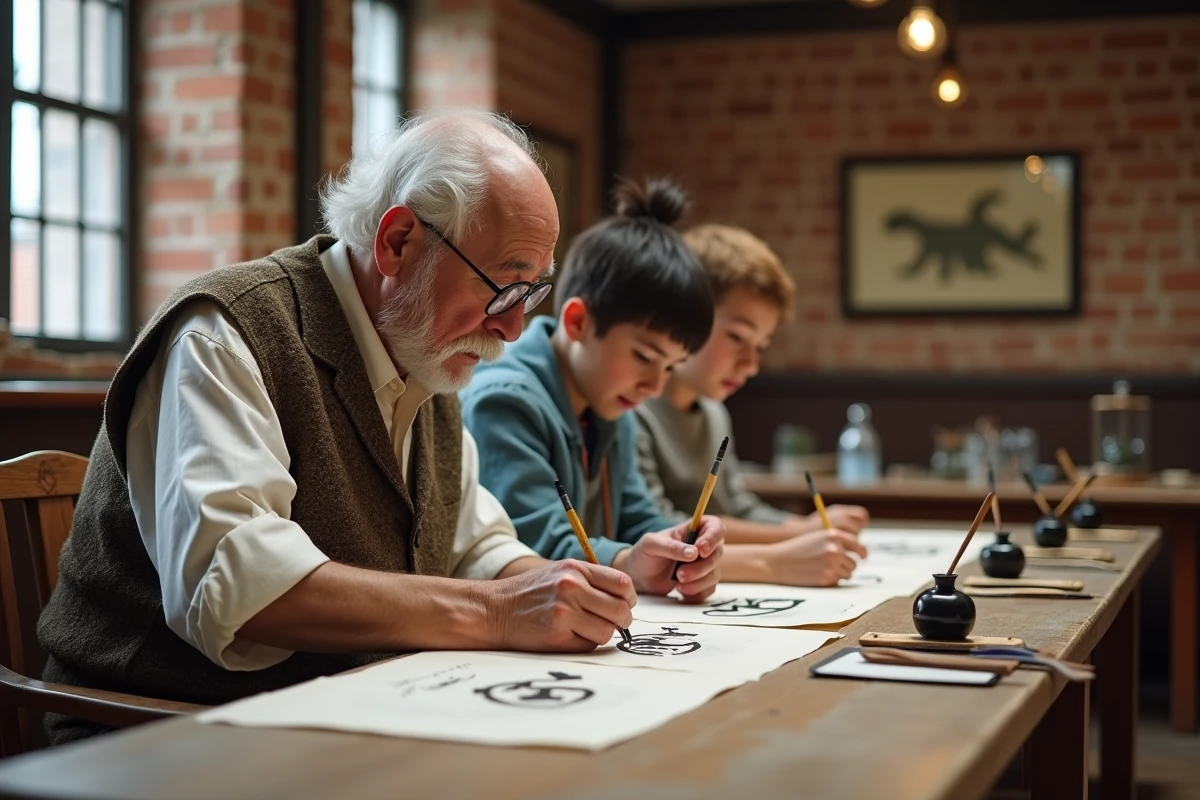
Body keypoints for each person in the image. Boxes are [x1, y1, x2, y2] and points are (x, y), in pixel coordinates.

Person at [36, 110, 658, 745]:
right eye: (503, 288)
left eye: (531, 294)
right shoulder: (226, 334)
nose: (513, 328)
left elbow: (477, 545)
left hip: (335, 721)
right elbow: (243, 589)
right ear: (398, 242)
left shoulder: (428, 354)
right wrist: (497, 612)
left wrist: (558, 588)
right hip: (153, 737)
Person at [461, 179, 725, 603]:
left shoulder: (610, 404)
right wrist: (626, 562)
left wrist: (678, 546)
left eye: (671, 367)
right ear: (578, 322)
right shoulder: (504, 401)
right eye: (643, 356)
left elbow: (637, 519)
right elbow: (530, 547)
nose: (655, 385)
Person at [635, 224, 871, 587]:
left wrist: (800, 528)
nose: (751, 364)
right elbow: (655, 525)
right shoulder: (631, 409)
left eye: (761, 345)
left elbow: (734, 505)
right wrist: (794, 538)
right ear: (685, 317)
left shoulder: (714, 414)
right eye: (737, 337)